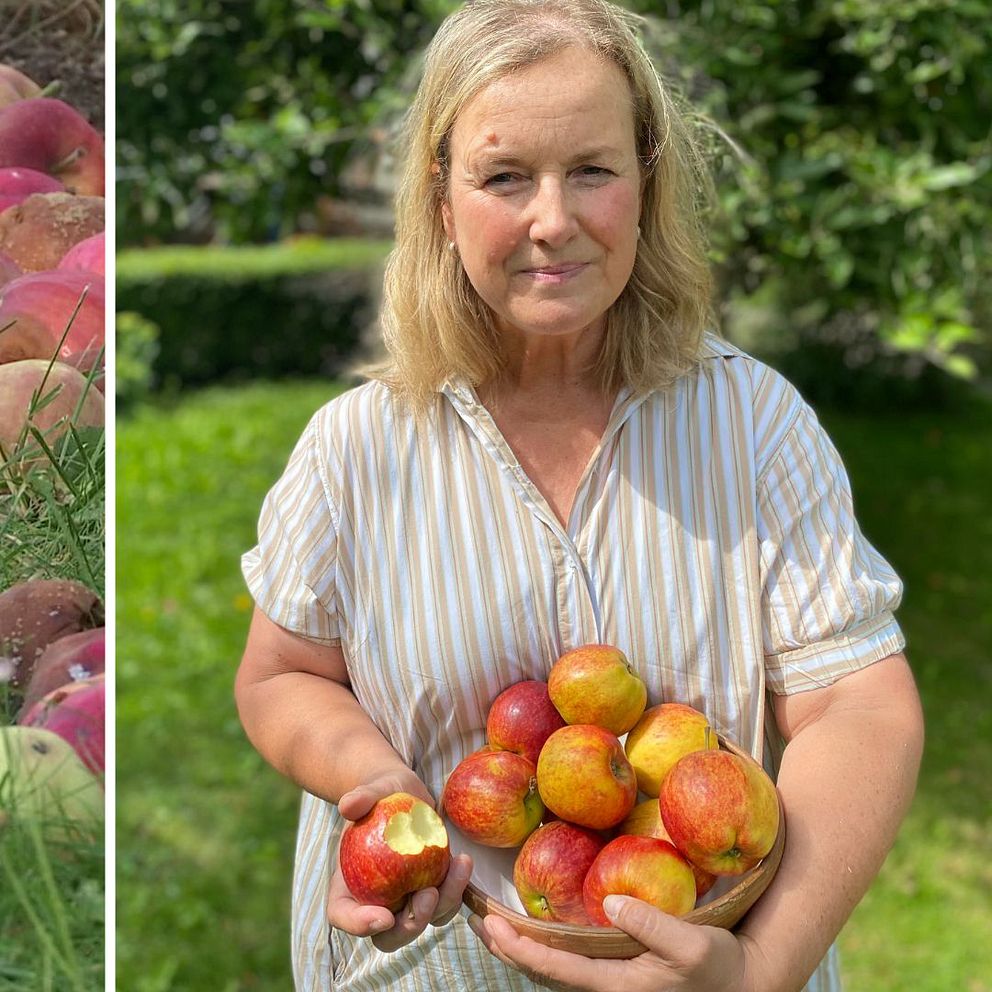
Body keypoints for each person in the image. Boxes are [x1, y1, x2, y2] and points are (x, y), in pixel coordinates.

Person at [234, 1, 924, 989]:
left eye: (591, 170)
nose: (551, 220)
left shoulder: (751, 423)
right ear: (441, 197)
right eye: (504, 175)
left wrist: (755, 971)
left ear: (646, 180)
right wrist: (370, 778)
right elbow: (280, 674)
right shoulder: (357, 448)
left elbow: (858, 704)